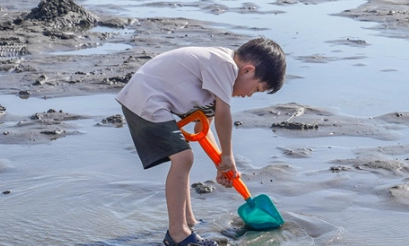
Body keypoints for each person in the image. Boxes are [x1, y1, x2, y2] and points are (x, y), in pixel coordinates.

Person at [115, 37, 286, 246]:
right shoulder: (225, 66)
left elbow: (202, 129)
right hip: (146, 96)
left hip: (148, 96)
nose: (250, 95)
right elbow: (224, 115)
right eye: (256, 89)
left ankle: (187, 221)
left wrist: (222, 165)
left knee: (184, 158)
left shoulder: (217, 79)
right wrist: (228, 155)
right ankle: (178, 234)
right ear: (248, 70)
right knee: (183, 158)